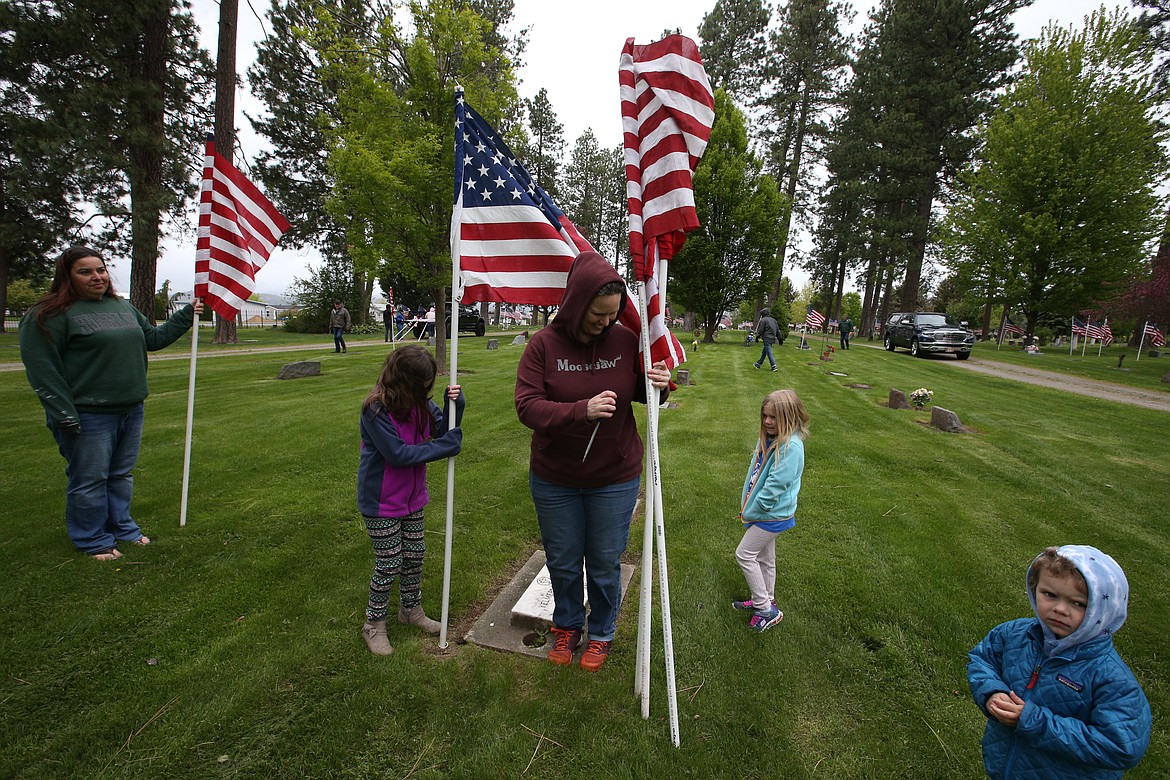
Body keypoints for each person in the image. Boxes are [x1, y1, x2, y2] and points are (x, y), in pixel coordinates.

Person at [515, 251, 670, 672]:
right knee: (563, 559)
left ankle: (601, 633)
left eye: (613, 315)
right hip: (555, 477)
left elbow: (646, 392)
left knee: (604, 561)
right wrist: (579, 410)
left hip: (613, 476)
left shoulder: (625, 340)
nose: (606, 323)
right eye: (598, 315)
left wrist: (659, 385)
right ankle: (567, 626)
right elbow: (527, 408)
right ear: (577, 303)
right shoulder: (543, 346)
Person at [18, 245, 203, 560]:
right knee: (89, 479)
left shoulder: (121, 307)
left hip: (130, 408)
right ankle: (92, 539)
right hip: (87, 414)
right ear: (67, 276)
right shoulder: (49, 315)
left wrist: (189, 313)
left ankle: (123, 529)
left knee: (120, 475)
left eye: (100, 270)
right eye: (85, 272)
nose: (96, 277)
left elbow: (153, 339)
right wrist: (63, 414)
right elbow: (43, 372)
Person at [967, 545, 1150, 779]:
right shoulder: (1015, 634)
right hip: (1006, 766)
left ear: (1105, 609)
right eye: (1050, 595)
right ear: (1034, 589)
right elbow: (983, 658)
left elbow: (1121, 748)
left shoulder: (1111, 677)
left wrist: (1034, 722)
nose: (1060, 609)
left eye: (1079, 603)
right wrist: (991, 691)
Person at [357, 344, 465, 656]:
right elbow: (398, 454)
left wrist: (455, 406)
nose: (426, 391)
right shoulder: (375, 410)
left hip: (412, 498)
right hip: (381, 502)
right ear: (405, 381)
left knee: (414, 556)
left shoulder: (419, 405)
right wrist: (444, 446)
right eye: (423, 385)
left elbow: (445, 430)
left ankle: (411, 611)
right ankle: (373, 625)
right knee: (390, 560)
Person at [732, 389, 808, 633]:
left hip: (771, 515)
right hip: (764, 512)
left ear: (790, 417)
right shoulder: (769, 437)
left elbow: (775, 486)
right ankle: (764, 598)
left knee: (744, 554)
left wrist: (753, 511)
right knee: (765, 558)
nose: (767, 421)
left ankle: (765, 609)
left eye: (773, 417)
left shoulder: (791, 447)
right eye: (765, 416)